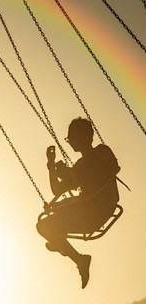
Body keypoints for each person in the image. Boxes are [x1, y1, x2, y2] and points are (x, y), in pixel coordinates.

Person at [36, 117, 120, 288]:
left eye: (70, 138)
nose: (69, 142)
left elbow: (57, 190)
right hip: (105, 206)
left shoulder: (81, 167)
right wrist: (62, 171)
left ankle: (79, 258)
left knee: (43, 225)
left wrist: (54, 169)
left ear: (80, 138)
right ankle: (58, 242)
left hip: (92, 216)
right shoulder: (104, 151)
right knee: (54, 214)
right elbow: (111, 167)